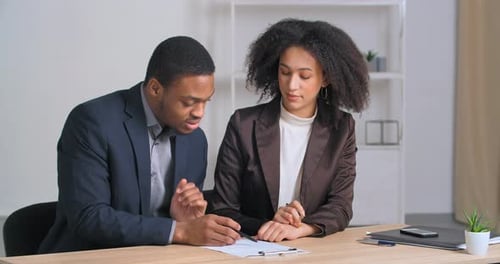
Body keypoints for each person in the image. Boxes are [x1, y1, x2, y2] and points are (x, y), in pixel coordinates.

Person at [38, 36, 242, 254]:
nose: (199, 113)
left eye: (206, 101)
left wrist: (184, 218)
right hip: (88, 257)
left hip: (156, 257)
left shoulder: (195, 139)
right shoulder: (91, 122)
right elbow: (89, 217)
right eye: (189, 102)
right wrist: (179, 230)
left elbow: (173, 225)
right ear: (155, 89)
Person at [210, 18, 369, 242]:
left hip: (311, 249)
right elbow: (222, 208)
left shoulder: (341, 128)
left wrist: (301, 228)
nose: (292, 85)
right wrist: (268, 225)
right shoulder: (243, 125)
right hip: (251, 247)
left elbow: (341, 207)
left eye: (304, 76)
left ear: (325, 78)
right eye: (285, 72)